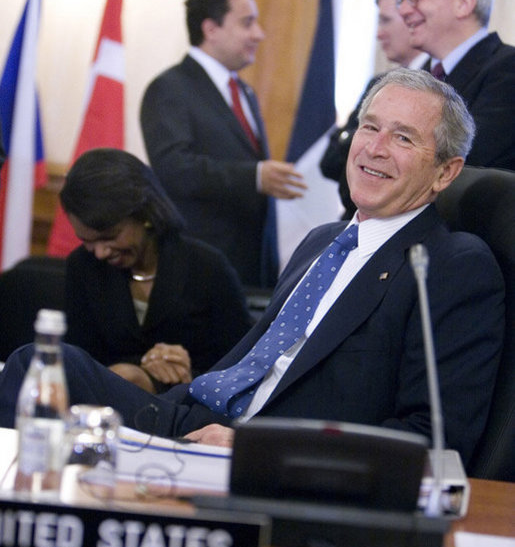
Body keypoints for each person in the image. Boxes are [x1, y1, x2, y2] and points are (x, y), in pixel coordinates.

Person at [0, 70, 505, 469]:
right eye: (369, 127)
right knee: (37, 367)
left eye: (403, 138)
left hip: (264, 460)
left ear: (445, 171)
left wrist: (252, 445)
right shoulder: (322, 242)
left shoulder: (450, 265)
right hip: (191, 417)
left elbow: (432, 436)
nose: (373, 147)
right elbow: (252, 363)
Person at [140, 0, 306, 289]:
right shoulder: (169, 88)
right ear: (211, 29)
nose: (259, 34)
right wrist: (254, 176)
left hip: (252, 272)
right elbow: (174, 170)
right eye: (247, 23)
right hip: (198, 271)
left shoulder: (244, 91)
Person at [59, 148, 253, 394]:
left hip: (192, 410)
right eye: (87, 241)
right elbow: (78, 360)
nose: (99, 253)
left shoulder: (207, 267)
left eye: (109, 237)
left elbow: (244, 368)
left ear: (145, 215)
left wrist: (184, 370)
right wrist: (140, 367)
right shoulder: (83, 265)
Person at [397, 0, 515, 170]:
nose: (403, 10)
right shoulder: (411, 78)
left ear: (463, 2)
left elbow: (459, 163)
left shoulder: (508, 71)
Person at [321, 0, 429, 213]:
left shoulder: (439, 93)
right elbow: (329, 163)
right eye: (370, 128)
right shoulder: (379, 84)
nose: (379, 34)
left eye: (386, 20)